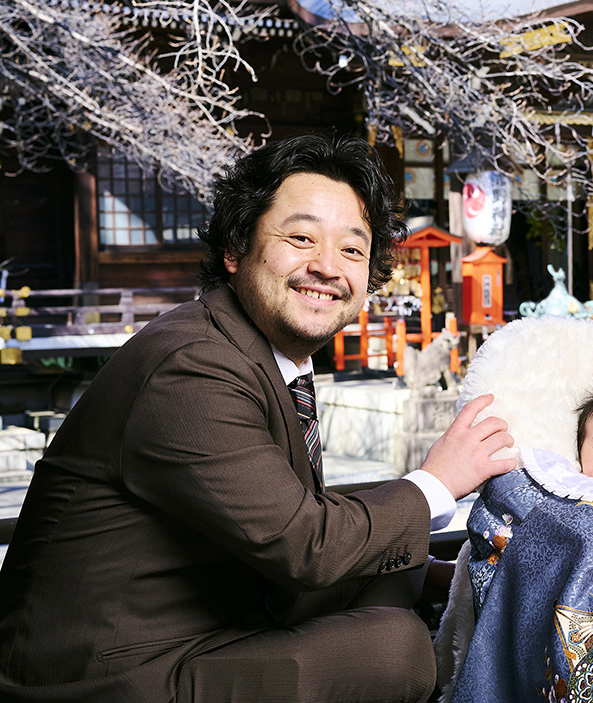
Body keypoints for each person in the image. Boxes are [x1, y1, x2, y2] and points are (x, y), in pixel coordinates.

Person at [0, 133, 516, 703]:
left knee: (398, 561)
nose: (327, 267)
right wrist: (438, 481)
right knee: (394, 648)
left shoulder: (266, 351)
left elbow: (297, 518)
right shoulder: (191, 365)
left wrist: (437, 568)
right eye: (300, 238)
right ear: (235, 249)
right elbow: (305, 544)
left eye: (352, 250)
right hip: (103, 674)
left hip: (201, 625)